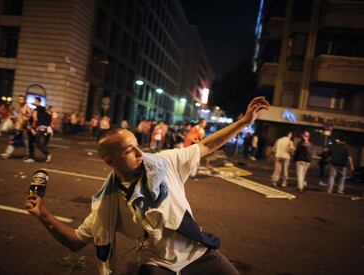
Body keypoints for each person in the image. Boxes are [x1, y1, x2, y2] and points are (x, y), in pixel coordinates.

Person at [25, 97, 269, 274]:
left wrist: (244, 122)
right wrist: (42, 213)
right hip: (157, 266)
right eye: (129, 151)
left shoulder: (165, 162)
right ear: (110, 161)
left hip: (198, 253)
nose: (140, 152)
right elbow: (76, 241)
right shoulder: (109, 201)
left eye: (137, 144)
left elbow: (206, 145)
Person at [24, 97, 52, 163]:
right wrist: (29, 126)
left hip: (40, 128)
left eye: (36, 101)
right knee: (30, 142)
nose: (35, 102)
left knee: (38, 143)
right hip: (33, 128)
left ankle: (48, 154)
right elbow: (31, 118)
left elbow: (42, 110)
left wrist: (36, 105)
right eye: (35, 101)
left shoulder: (42, 109)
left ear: (39, 102)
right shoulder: (34, 110)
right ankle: (31, 157)